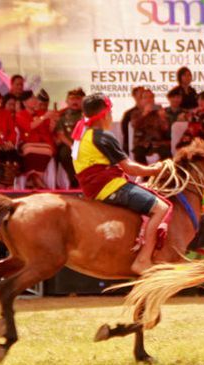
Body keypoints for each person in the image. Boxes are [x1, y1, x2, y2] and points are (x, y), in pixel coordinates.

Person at [71, 93, 168, 275]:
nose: (112, 116)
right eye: (111, 111)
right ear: (105, 114)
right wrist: (156, 170)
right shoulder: (103, 136)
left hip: (95, 189)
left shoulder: (82, 137)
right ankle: (143, 259)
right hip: (111, 188)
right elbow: (130, 167)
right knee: (161, 208)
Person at [16, 90, 57, 189]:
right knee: (29, 150)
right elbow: (29, 127)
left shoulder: (41, 112)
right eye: (32, 98)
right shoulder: (20, 114)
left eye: (35, 97)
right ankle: (36, 179)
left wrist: (53, 122)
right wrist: (44, 117)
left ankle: (33, 178)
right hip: (27, 142)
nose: (35, 100)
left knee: (47, 149)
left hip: (43, 142)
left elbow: (50, 129)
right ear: (25, 103)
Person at [53, 88, 86, 188]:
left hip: (85, 144)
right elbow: (61, 134)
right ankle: (74, 180)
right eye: (72, 99)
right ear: (67, 101)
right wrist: (73, 146)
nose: (75, 101)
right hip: (68, 145)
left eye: (78, 99)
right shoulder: (62, 116)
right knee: (65, 154)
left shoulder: (87, 115)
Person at [131, 89, 171, 164]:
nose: (149, 100)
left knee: (166, 153)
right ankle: (145, 175)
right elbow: (135, 125)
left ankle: (164, 174)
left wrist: (162, 118)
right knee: (139, 153)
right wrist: (144, 113)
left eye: (151, 97)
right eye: (145, 97)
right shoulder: (136, 113)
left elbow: (165, 129)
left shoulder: (158, 111)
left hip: (158, 143)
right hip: (142, 143)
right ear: (141, 100)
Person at [121, 86, 145, 154]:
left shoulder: (155, 111)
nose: (143, 97)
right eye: (141, 95)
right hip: (135, 144)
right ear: (134, 97)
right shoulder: (129, 114)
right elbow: (126, 133)